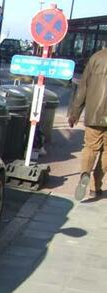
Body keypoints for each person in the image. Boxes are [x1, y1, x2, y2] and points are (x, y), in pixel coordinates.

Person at [68, 47, 107, 201]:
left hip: (94, 115)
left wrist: (74, 113)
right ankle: (95, 186)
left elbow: (83, 88)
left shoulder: (96, 58)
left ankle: (85, 173)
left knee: (90, 147)